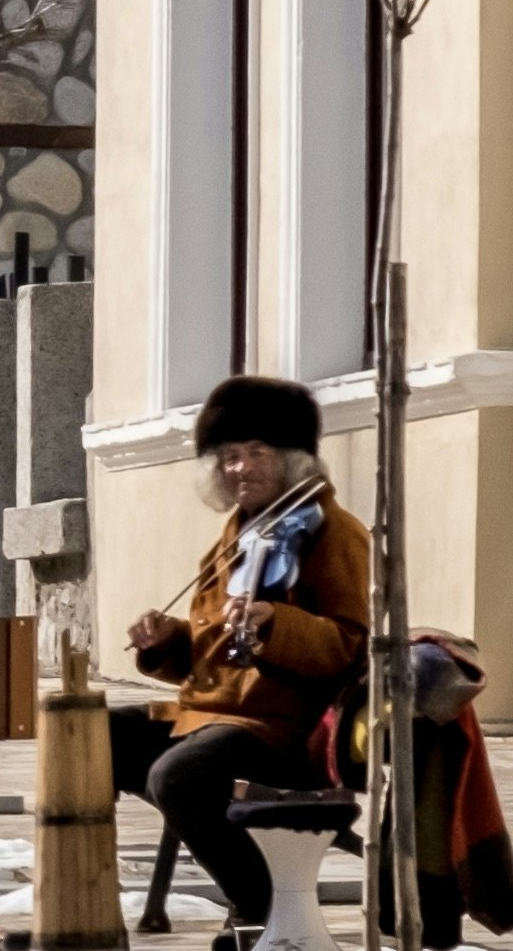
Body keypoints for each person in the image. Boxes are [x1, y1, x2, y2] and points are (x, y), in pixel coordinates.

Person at [112, 375, 371, 938]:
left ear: (293, 459)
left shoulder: (332, 533)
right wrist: (166, 641)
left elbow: (350, 643)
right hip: (214, 714)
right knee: (97, 736)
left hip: (289, 728)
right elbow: (214, 651)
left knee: (180, 776)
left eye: (256, 453)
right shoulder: (237, 534)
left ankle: (259, 903)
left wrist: (277, 623)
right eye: (229, 456)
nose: (240, 468)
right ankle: (88, 885)